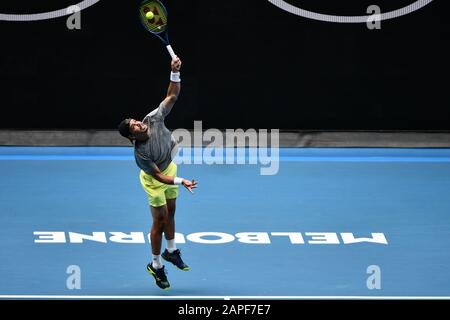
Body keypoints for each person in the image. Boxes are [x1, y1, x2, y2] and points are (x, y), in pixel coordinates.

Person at [117, 57, 197, 290]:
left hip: (169, 167)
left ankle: (171, 251)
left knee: (172, 213)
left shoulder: (152, 118)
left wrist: (174, 73)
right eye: (134, 127)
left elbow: (172, 96)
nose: (139, 124)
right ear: (132, 137)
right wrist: (182, 181)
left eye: (136, 121)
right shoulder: (140, 155)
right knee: (159, 221)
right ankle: (156, 264)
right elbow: (159, 178)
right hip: (155, 180)